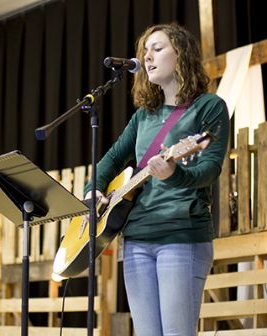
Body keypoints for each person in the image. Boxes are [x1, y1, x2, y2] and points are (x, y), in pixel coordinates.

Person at [84, 23, 229, 336]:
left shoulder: (209, 107)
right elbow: (108, 161)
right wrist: (93, 190)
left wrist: (175, 174)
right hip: (135, 240)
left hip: (181, 235)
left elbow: (210, 169)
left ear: (181, 54)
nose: (147, 57)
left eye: (157, 48)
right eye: (145, 51)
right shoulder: (143, 115)